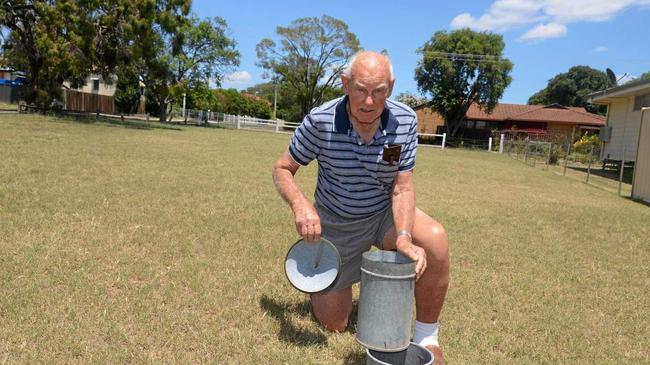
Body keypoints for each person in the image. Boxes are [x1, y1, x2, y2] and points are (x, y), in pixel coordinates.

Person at [272, 51, 449, 364]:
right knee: (335, 324)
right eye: (360, 90)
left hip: (383, 214)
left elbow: (403, 186)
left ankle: (426, 335)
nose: (369, 101)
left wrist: (405, 236)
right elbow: (283, 168)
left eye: (379, 91)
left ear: (390, 87)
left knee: (433, 239)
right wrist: (301, 205)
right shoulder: (321, 120)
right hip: (336, 221)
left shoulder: (405, 120)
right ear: (345, 84)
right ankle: (334, 281)